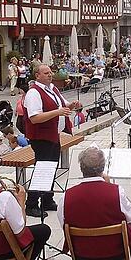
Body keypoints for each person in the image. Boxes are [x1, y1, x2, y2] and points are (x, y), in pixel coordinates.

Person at [58, 147, 131, 260]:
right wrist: (109, 186)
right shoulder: (116, 192)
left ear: (81, 168)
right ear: (102, 169)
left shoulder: (66, 196)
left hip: (83, 254)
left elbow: (63, 223)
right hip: (114, 253)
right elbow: (128, 218)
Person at [22, 64, 77, 217]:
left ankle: (47, 199)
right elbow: (34, 117)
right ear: (37, 76)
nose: (50, 75)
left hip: (53, 134)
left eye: (50, 72)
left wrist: (71, 105)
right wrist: (57, 112)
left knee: (51, 168)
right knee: (42, 169)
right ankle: (31, 204)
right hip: (41, 137)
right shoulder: (33, 93)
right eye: (46, 73)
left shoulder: (52, 88)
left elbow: (63, 105)